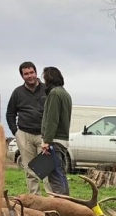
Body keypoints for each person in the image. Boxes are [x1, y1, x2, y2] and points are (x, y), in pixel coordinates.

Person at [6, 61, 48, 195]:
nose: (30, 76)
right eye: (26, 74)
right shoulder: (18, 92)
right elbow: (10, 113)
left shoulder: (46, 89)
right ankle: (36, 202)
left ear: (36, 73)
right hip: (25, 134)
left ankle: (53, 202)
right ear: (22, 76)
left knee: (46, 171)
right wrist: (16, 132)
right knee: (30, 171)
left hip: (43, 135)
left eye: (31, 72)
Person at [40, 66, 72, 197]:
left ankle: (62, 204)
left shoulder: (54, 93)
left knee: (55, 176)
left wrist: (47, 141)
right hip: (63, 140)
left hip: (55, 141)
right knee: (60, 174)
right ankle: (67, 201)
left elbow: (52, 119)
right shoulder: (65, 93)